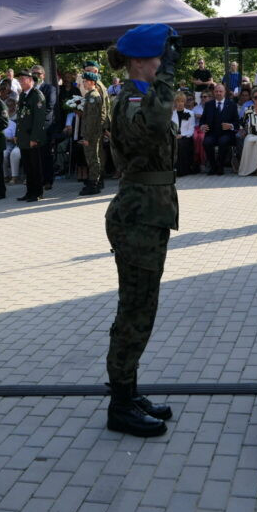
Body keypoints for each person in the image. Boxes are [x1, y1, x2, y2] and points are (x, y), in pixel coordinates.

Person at [104, 23, 179, 438]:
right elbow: (152, 127)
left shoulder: (144, 96)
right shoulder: (135, 98)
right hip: (138, 219)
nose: (162, 66)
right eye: (159, 59)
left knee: (141, 309)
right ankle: (120, 404)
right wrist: (168, 77)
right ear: (139, 62)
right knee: (134, 312)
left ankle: (128, 392)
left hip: (149, 216)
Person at [15, 70, 47, 201]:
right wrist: (17, 133)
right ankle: (29, 191)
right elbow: (20, 116)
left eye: (23, 79)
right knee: (27, 167)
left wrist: (34, 138)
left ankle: (37, 192)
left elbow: (39, 120)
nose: (21, 81)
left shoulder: (37, 95)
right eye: (20, 79)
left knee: (35, 167)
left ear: (31, 80)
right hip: (23, 137)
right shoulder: (23, 95)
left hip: (32, 138)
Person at [78, 70, 108, 195]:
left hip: (92, 134)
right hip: (94, 133)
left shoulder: (93, 96)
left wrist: (87, 136)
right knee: (95, 157)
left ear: (91, 82)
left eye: (84, 81)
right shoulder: (91, 95)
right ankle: (97, 181)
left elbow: (91, 119)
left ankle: (94, 184)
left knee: (93, 158)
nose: (83, 83)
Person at [199, 84, 240, 175]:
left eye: (220, 91)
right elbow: (202, 120)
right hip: (212, 133)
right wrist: (202, 126)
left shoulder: (232, 105)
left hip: (227, 134)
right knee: (206, 142)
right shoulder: (208, 105)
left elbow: (237, 122)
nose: (218, 93)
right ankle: (213, 166)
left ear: (225, 92)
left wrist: (230, 126)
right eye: (216, 91)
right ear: (214, 92)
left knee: (223, 141)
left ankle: (220, 166)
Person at [172, 93, 195, 176]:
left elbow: (191, 130)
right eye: (178, 101)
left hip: (186, 137)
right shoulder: (172, 114)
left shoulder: (190, 113)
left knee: (180, 144)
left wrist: (182, 135)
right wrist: (175, 135)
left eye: (182, 101)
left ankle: (182, 170)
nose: (180, 103)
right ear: (175, 102)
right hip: (174, 136)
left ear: (184, 102)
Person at [3, 100, 21, 183]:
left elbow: (16, 139)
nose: (9, 108)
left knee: (14, 153)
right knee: (3, 153)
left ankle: (15, 177)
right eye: (7, 106)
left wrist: (9, 139)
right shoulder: (1, 120)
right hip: (3, 144)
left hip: (14, 143)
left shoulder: (14, 122)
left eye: (11, 106)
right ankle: (5, 176)